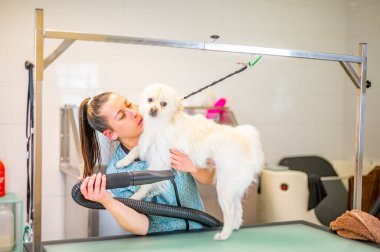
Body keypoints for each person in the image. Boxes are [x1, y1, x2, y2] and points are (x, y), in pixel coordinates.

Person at [78, 92, 215, 235]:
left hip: (200, 235)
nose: (134, 112)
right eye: (122, 116)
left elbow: (210, 178)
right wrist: (107, 200)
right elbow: (142, 226)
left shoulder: (172, 135)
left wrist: (193, 166)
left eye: (129, 104)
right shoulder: (118, 173)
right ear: (111, 134)